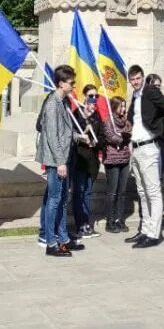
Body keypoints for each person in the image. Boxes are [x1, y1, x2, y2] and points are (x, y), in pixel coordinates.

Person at [125, 65, 164, 248]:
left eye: (138, 78)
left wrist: (158, 124)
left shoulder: (150, 91)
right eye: (132, 79)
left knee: (153, 192)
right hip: (136, 147)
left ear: (142, 77)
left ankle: (154, 234)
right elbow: (133, 118)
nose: (135, 82)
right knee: (142, 192)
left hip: (149, 148)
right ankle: (145, 230)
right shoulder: (135, 95)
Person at [37, 66, 80, 257]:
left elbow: (65, 132)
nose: (73, 86)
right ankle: (51, 243)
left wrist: (80, 137)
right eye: (71, 83)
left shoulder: (63, 102)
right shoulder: (53, 104)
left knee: (62, 200)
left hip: (63, 157)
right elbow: (53, 137)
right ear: (62, 83)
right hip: (56, 160)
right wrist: (60, 162)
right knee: (54, 200)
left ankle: (63, 239)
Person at [70, 84, 104, 239]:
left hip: (91, 161)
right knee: (79, 193)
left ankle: (87, 224)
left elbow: (102, 138)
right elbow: (72, 135)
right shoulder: (77, 113)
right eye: (91, 96)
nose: (94, 99)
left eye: (96, 96)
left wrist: (95, 142)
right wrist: (84, 128)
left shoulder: (96, 116)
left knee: (88, 193)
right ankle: (80, 225)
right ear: (84, 96)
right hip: (79, 159)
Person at [101, 96, 132, 233]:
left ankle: (119, 219)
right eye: (121, 106)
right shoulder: (109, 121)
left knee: (122, 192)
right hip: (112, 160)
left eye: (125, 106)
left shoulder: (126, 121)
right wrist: (122, 138)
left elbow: (130, 132)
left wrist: (126, 136)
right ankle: (110, 220)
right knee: (112, 192)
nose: (124, 109)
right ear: (115, 107)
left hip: (124, 159)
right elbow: (110, 136)